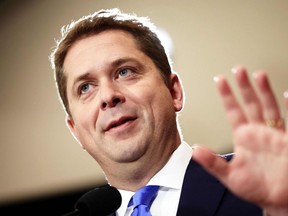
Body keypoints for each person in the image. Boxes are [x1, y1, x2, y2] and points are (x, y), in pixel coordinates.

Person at [50, 8, 288, 216]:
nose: (108, 96)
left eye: (124, 72)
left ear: (174, 92)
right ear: (75, 131)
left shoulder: (262, 186)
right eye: (85, 88)